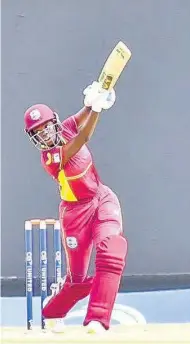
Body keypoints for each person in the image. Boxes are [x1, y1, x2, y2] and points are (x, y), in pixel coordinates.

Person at [23, 82, 128, 334]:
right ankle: (53, 312)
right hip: (75, 215)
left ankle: (97, 319)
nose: (45, 134)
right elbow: (84, 137)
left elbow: (82, 116)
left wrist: (93, 101)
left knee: (112, 248)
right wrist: (98, 110)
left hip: (101, 198)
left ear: (54, 122)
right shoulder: (50, 157)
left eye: (46, 127)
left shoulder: (67, 127)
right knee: (78, 281)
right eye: (38, 132)